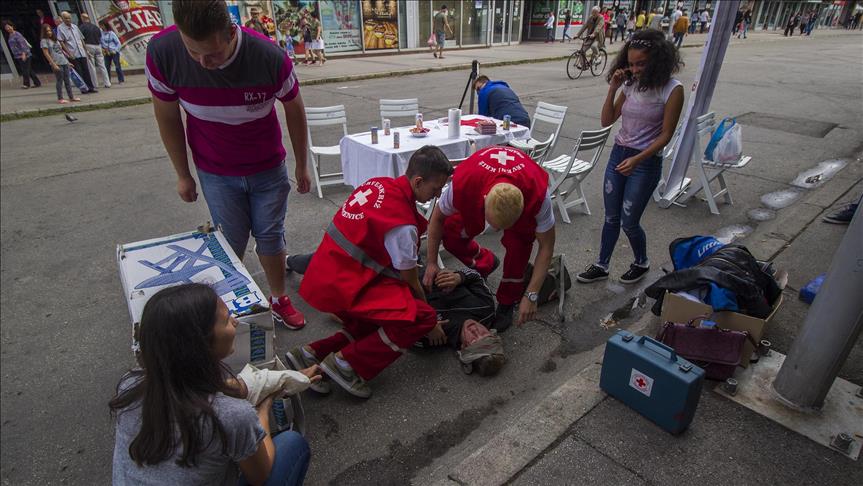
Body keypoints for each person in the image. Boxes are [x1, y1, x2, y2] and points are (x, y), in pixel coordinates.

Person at [147, 0, 311, 331]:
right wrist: (183, 174)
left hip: (267, 168)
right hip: (216, 172)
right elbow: (167, 115)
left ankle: (278, 298)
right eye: (193, 52)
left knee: (270, 234)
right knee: (230, 240)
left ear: (232, 32)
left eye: (214, 54)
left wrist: (301, 166)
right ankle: (234, 305)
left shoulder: (268, 56)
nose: (203, 63)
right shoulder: (162, 51)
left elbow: (294, 108)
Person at [110, 283, 319, 485]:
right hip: (252, 447)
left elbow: (223, 386)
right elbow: (260, 475)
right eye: (227, 320)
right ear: (201, 343)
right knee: (292, 443)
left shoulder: (131, 385)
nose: (235, 322)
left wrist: (286, 377)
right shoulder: (231, 416)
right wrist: (262, 411)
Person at [287, 147, 452, 398]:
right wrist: (429, 322)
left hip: (327, 276)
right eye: (435, 189)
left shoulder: (380, 184)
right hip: (345, 285)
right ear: (418, 181)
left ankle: (310, 353)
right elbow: (410, 282)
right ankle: (345, 364)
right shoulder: (402, 225)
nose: (438, 195)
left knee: (371, 322)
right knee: (419, 316)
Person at [577, 29, 684, 285]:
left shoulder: (672, 89)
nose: (635, 70)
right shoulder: (629, 84)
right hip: (619, 154)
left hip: (644, 163)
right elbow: (607, 121)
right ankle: (601, 265)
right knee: (611, 217)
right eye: (631, 64)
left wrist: (638, 159)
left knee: (629, 221)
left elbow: (666, 135)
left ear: (658, 61)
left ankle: (641, 262)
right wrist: (612, 89)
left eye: (641, 64)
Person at [284, 260, 504, 377]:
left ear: (463, 348)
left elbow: (387, 325)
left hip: (391, 284)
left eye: (475, 339)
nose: (477, 330)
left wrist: (425, 325)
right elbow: (476, 276)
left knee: (333, 267)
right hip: (414, 267)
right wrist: (459, 277)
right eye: (485, 334)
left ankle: (313, 359)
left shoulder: (433, 340)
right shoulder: (486, 311)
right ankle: (289, 260)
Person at [423, 146, 556, 333]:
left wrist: (531, 294)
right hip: (479, 185)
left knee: (519, 246)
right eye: (495, 225)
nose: (497, 231)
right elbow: (436, 219)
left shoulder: (539, 195)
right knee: (450, 233)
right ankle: (485, 261)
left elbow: (547, 246)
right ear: (483, 201)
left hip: (519, 198)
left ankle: (507, 301)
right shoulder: (464, 183)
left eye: (502, 227)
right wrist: (431, 262)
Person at [56, 11, 97, 93]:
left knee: (86, 71)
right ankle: (84, 88)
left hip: (81, 52)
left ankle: (91, 87)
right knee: (79, 72)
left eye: (69, 18)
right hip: (73, 53)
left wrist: (86, 51)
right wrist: (68, 53)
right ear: (63, 19)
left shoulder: (75, 27)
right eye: (66, 18)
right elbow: (61, 42)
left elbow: (81, 39)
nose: (68, 20)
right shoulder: (60, 28)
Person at [40, 24, 77, 104]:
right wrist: (53, 64)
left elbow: (61, 52)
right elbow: (46, 53)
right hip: (56, 63)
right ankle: (60, 98)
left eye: (50, 30)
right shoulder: (44, 41)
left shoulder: (55, 40)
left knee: (67, 80)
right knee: (59, 80)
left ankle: (71, 97)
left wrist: (68, 62)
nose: (49, 32)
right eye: (47, 31)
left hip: (64, 61)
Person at [3, 21, 41, 89]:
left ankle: (26, 84)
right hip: (17, 55)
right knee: (29, 70)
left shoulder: (17, 34)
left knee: (25, 70)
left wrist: (24, 54)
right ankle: (37, 82)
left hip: (25, 55)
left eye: (9, 27)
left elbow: (22, 44)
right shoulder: (9, 35)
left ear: (12, 26)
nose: (8, 28)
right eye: (6, 28)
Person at [79, 13, 110, 89]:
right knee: (102, 65)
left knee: (91, 66)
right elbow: (100, 36)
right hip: (98, 45)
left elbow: (80, 38)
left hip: (88, 45)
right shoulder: (96, 27)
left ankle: (95, 84)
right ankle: (107, 83)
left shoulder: (82, 27)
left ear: (82, 18)